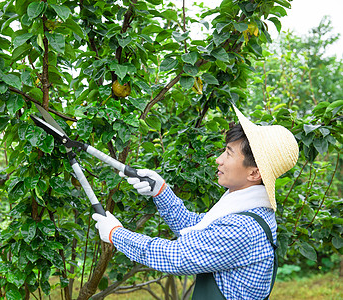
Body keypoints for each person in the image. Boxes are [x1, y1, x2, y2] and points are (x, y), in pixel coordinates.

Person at [92, 106, 299, 299]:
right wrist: (160, 190)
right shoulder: (244, 207)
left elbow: (177, 256)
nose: (219, 159)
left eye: (228, 153)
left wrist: (116, 234)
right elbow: (195, 227)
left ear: (254, 173)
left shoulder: (242, 227)